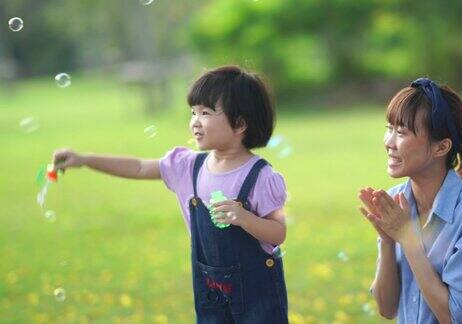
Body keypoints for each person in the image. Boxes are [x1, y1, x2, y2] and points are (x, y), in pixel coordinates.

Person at [53, 66, 289, 323]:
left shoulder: (260, 177)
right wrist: (85, 159)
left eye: (206, 113)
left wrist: (245, 218)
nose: (195, 121)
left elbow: (278, 233)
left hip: (257, 297)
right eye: (193, 112)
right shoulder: (187, 167)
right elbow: (140, 167)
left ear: (240, 123)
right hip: (211, 294)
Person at [358, 78, 462, 323]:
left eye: (401, 132)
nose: (389, 142)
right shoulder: (397, 201)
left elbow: (452, 316)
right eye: (389, 128)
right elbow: (387, 309)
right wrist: (388, 241)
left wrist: (408, 238)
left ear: (441, 147)